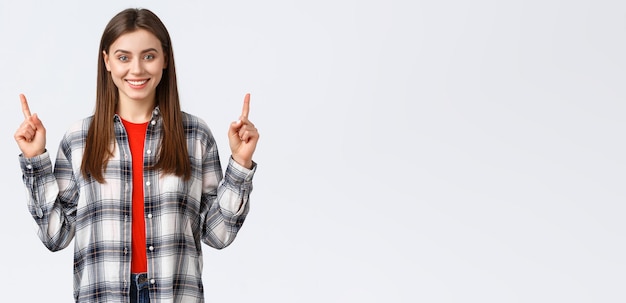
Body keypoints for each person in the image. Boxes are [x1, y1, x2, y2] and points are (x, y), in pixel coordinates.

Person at [14, 7, 259, 303]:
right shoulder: (80, 139)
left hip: (174, 294)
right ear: (107, 61)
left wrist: (240, 165)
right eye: (123, 57)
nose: (137, 70)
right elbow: (56, 236)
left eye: (149, 56)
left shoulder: (194, 135)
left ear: (165, 59)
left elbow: (218, 234)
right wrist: (36, 160)